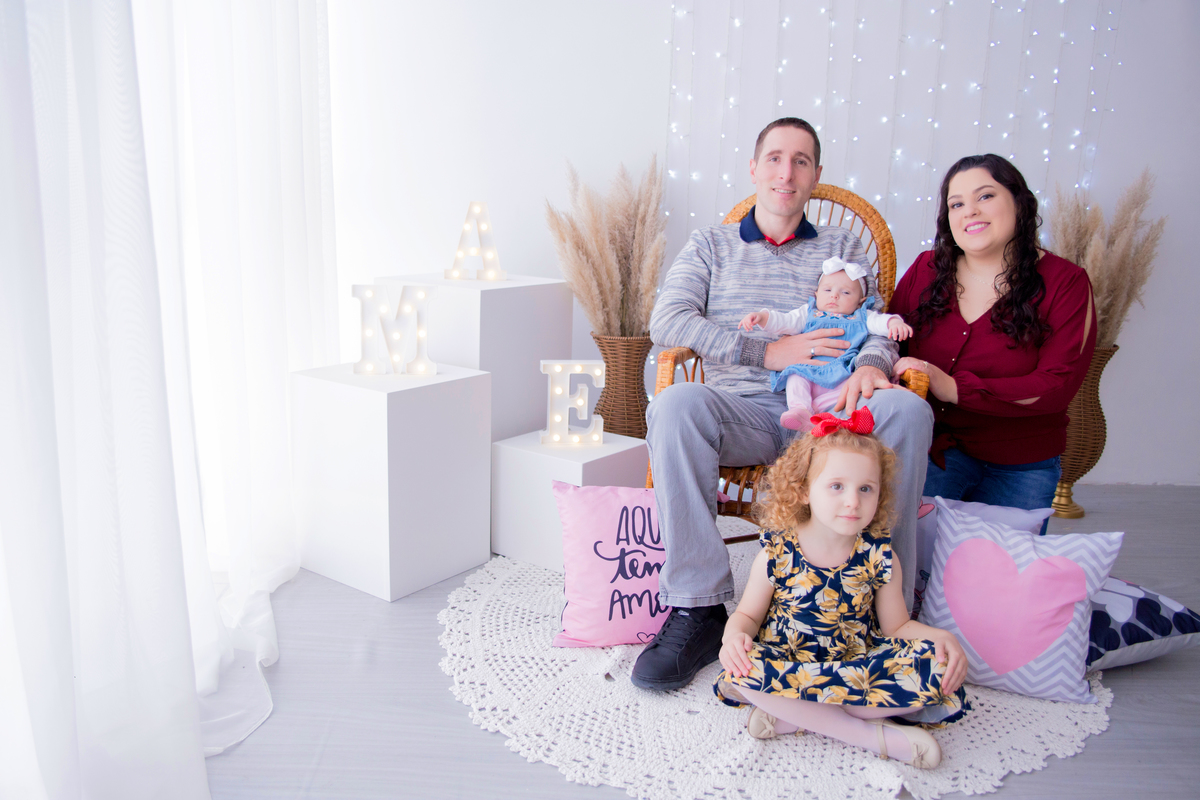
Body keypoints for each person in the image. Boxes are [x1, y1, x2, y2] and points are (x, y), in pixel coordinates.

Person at [633, 117, 934, 691]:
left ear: (816, 175)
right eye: (774, 158)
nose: (786, 172)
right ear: (754, 168)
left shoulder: (842, 248)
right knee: (675, 404)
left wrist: (870, 367)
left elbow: (874, 326)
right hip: (741, 412)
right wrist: (766, 351)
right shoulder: (711, 244)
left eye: (800, 161)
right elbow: (667, 321)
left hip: (830, 418)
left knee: (908, 411)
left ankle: (885, 607)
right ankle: (698, 608)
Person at [714, 410, 967, 769]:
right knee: (741, 670)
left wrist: (941, 637)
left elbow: (897, 627)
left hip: (855, 665)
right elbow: (748, 616)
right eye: (837, 486)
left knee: (940, 670)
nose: (853, 501)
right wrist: (734, 637)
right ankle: (868, 735)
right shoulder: (777, 552)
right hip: (788, 661)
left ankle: (792, 716)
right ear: (803, 491)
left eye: (866, 489)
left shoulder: (880, 555)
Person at [888, 154, 1097, 533]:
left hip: (1020, 465)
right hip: (931, 453)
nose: (970, 211)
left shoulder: (1066, 282)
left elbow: (1057, 385)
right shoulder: (925, 270)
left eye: (985, 196)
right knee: (915, 563)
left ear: (1019, 202)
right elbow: (889, 345)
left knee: (1001, 568)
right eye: (956, 204)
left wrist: (953, 387)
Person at [739, 257, 913, 431]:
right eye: (827, 290)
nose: (834, 296)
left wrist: (894, 323)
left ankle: (823, 415)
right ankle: (800, 410)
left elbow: (881, 322)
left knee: (852, 387)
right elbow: (785, 321)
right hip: (809, 369)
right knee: (795, 376)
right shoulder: (808, 313)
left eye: (846, 293)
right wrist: (762, 317)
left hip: (842, 371)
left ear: (860, 301)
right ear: (816, 294)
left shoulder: (862, 316)